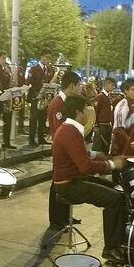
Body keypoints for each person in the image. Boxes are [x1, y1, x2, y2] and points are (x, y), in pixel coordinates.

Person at [52, 94, 126, 261]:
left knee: (118, 190)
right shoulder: (70, 132)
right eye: (87, 109)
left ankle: (119, 241)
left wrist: (95, 154)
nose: (89, 113)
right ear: (79, 112)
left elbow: (76, 152)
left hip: (74, 179)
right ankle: (111, 248)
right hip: (68, 185)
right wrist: (112, 165)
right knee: (114, 199)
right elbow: (85, 167)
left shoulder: (68, 128)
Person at [47, 70, 82, 228]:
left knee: (68, 180)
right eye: (79, 85)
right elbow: (58, 129)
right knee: (58, 184)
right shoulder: (58, 103)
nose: (80, 88)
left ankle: (66, 215)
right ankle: (56, 219)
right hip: (61, 150)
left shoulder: (66, 102)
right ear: (72, 85)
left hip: (67, 149)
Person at [111, 78, 134, 157]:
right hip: (122, 150)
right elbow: (118, 130)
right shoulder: (122, 105)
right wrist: (131, 143)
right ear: (126, 91)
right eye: (133, 90)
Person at [27, 48, 53, 146]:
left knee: (42, 118)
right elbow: (28, 83)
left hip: (45, 98)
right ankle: (31, 139)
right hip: (36, 97)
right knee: (34, 118)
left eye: (50, 58)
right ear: (41, 56)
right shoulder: (34, 69)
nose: (48, 60)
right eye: (47, 57)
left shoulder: (49, 69)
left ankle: (41, 137)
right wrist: (33, 95)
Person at [91, 77, 116, 155]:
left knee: (105, 147)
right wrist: (95, 125)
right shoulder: (100, 97)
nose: (113, 87)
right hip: (101, 126)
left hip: (107, 125)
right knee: (98, 146)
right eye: (112, 85)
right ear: (106, 84)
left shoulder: (108, 97)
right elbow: (95, 111)